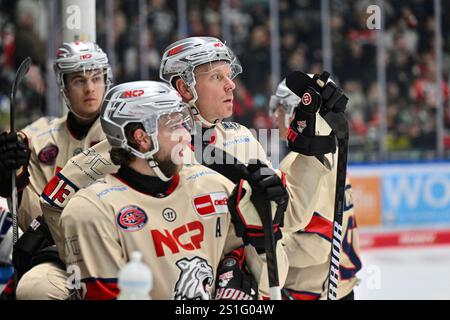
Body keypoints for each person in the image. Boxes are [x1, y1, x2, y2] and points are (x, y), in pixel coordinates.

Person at [60, 80, 288, 299]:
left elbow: (270, 285)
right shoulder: (92, 211)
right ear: (141, 138)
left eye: (183, 122)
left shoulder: (214, 186)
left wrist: (263, 235)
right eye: (173, 125)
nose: (185, 135)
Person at [0, 40, 112, 299]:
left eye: (97, 78)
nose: (90, 88)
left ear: (108, 80)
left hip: (114, 244)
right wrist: (9, 177)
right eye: (78, 81)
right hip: (57, 253)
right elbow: (32, 216)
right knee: (31, 290)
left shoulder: (123, 134)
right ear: (63, 86)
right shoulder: (37, 137)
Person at [270, 78, 362, 300]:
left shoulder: (303, 164)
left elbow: (316, 243)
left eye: (280, 108)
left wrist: (266, 251)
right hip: (339, 288)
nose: (275, 116)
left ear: (298, 112)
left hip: (312, 293)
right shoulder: (332, 155)